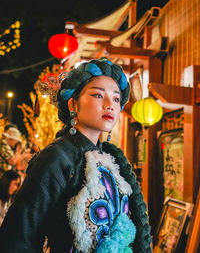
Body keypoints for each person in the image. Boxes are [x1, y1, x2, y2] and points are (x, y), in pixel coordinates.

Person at [0, 58, 152, 252]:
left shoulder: (110, 159)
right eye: (98, 95)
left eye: (115, 98)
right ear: (73, 103)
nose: (110, 104)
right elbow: (16, 237)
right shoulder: (56, 157)